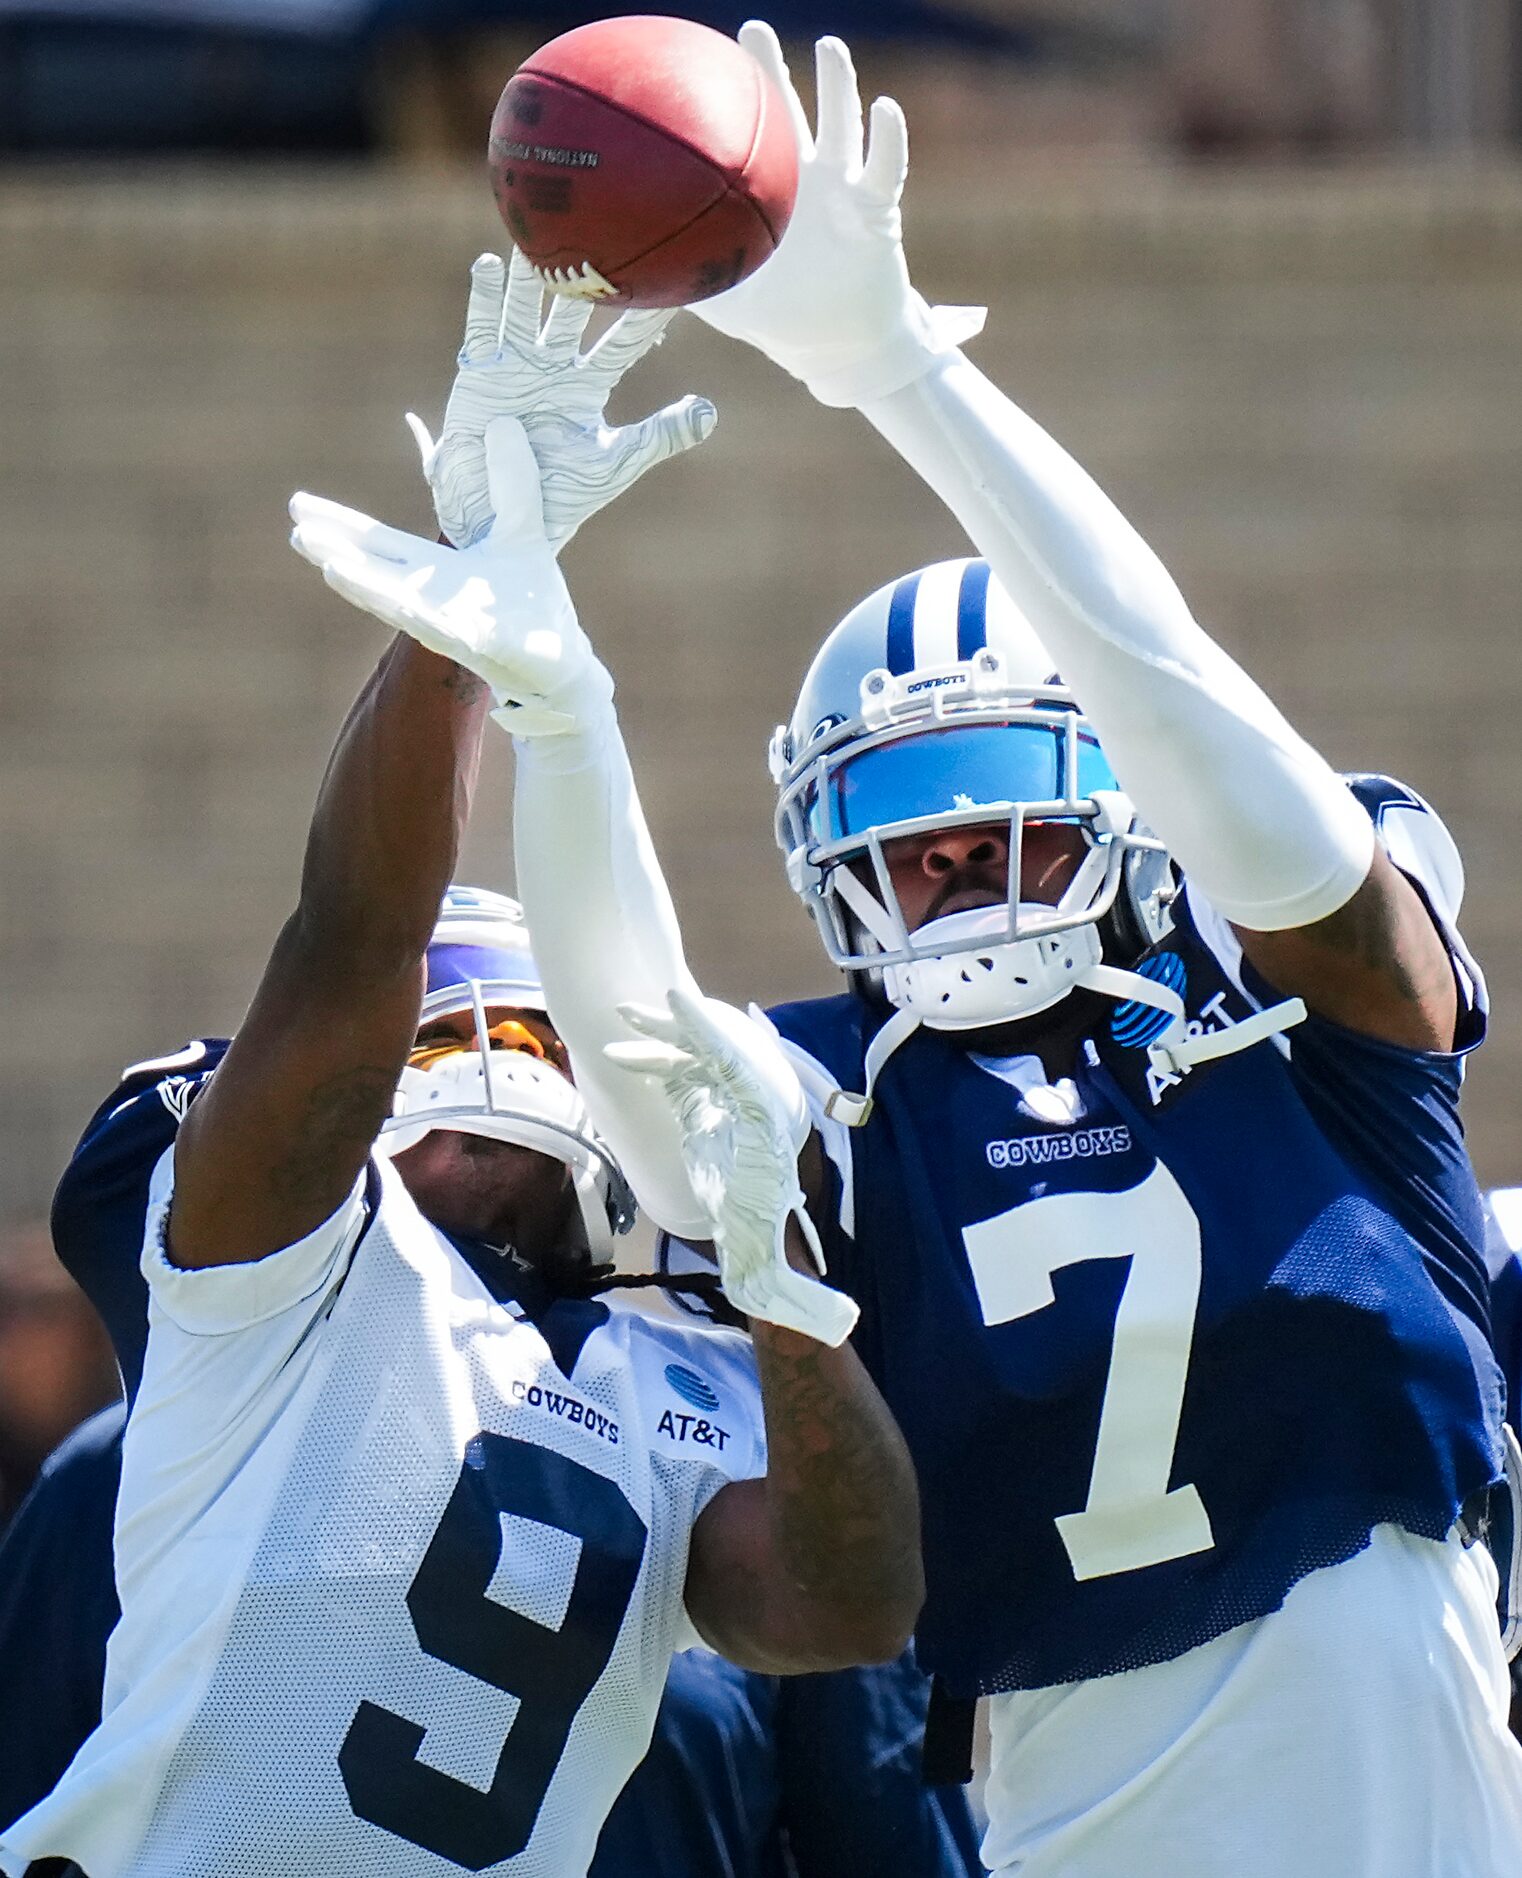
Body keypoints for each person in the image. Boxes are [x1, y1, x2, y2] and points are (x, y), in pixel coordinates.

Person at [290, 23, 1522, 1876]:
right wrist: (556, 702)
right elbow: (642, 1057)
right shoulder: (852, 1097)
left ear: (1109, 804)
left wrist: (907, 381)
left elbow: (1197, 714)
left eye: (989, 816)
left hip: (1396, 1740)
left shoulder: (1298, 1010)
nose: (949, 869)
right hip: (1068, 1788)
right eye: (902, 843)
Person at [0, 262, 922, 1878]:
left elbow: (846, 1603)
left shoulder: (669, 1374)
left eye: (530, 1024)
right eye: (447, 1023)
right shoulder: (283, 1283)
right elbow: (351, 940)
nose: (492, 1053)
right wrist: (461, 627)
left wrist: (788, 1298)